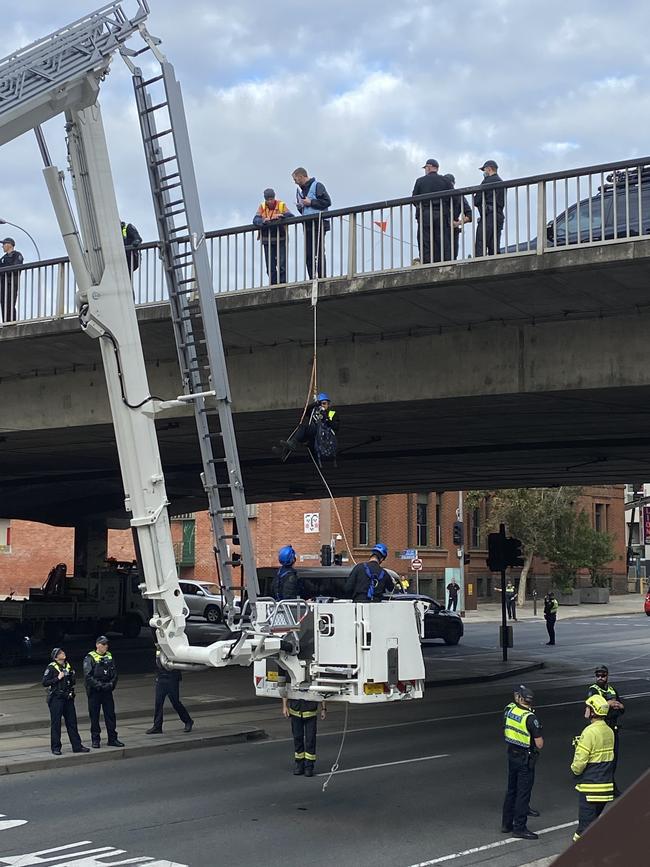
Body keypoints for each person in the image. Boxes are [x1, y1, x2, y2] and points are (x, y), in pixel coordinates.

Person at [570, 694, 615, 842]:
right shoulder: (609, 731)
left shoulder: (589, 732)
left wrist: (574, 770)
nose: (586, 709)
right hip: (605, 788)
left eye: (588, 707)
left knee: (582, 831)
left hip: (590, 788)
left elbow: (580, 762)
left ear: (593, 711)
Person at [501, 684, 543, 840]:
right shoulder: (531, 718)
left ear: (520, 698)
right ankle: (520, 827)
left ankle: (506, 824)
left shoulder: (511, 710)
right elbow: (540, 744)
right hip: (525, 758)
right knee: (523, 794)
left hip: (512, 754)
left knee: (511, 790)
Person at [42, 647, 90, 756]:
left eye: (63, 652)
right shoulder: (51, 668)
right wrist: (58, 678)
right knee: (56, 724)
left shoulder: (67, 666)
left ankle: (77, 746)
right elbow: (44, 682)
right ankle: (56, 747)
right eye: (60, 653)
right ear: (56, 657)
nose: (63, 653)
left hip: (68, 698)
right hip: (56, 699)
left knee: (72, 723)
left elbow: (72, 681)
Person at [587, 665, 624, 796]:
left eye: (603, 675)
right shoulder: (593, 690)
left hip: (612, 728)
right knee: (601, 759)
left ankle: (611, 785)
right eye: (598, 675)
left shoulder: (612, 690)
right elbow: (595, 706)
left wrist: (615, 704)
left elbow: (622, 707)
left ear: (607, 675)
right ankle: (601, 785)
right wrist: (610, 704)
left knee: (613, 759)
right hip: (601, 728)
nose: (600, 678)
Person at [83, 636, 124, 748]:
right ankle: (95, 740)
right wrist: (100, 686)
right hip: (95, 692)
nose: (106, 646)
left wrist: (111, 685)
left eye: (106, 644)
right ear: (97, 645)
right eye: (103, 644)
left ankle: (112, 739)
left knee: (110, 715)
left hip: (107, 691)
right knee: (94, 716)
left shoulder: (109, 656)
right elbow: (88, 676)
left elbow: (115, 673)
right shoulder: (90, 657)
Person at [412, 159, 453, 264]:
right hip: (442, 214)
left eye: (425, 168)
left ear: (429, 167)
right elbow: (454, 198)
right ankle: (445, 262)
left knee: (426, 240)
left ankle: (427, 263)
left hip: (425, 214)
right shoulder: (446, 181)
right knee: (443, 239)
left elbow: (414, 199)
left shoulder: (420, 181)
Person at [292, 167, 331, 279]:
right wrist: (301, 206)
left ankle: (322, 277)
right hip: (307, 224)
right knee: (309, 254)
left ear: (301, 176)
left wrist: (311, 202)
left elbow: (327, 202)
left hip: (319, 223)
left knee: (318, 251)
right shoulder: (302, 190)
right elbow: (304, 209)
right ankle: (312, 277)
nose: (295, 182)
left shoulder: (317, 185)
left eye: (295, 179)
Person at [146, 646, 193, 735]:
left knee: (175, 702)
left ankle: (188, 721)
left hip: (172, 678)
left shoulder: (172, 646)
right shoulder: (159, 648)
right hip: (161, 677)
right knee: (158, 703)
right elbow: (157, 661)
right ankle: (157, 726)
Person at [283, 392, 339, 465]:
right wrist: (314, 404)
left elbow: (335, 427)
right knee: (301, 429)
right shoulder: (314, 412)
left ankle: (314, 454)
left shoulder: (331, 413)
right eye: (322, 404)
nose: (324, 406)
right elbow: (305, 411)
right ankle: (285, 450)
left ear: (328, 404)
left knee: (311, 443)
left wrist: (326, 419)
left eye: (325, 403)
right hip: (313, 434)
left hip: (323, 435)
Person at [252, 188, 293, 285]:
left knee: (282, 263)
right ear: (265, 199)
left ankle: (283, 283)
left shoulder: (281, 205)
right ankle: (273, 284)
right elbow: (255, 220)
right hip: (267, 240)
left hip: (280, 238)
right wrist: (263, 221)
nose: (270, 201)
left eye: (271, 199)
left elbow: (291, 216)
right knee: (270, 265)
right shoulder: (262, 207)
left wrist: (281, 216)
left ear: (274, 197)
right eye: (268, 199)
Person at [282, 696, 326, 777]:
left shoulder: (313, 682)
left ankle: (309, 767)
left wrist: (323, 709)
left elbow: (321, 692)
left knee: (310, 740)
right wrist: (285, 706)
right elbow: (285, 690)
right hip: (295, 713)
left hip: (311, 714)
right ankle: (299, 765)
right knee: (297, 739)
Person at [474, 160, 505, 257]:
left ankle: (479, 264)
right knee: (494, 244)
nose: (484, 172)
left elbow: (477, 200)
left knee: (481, 241)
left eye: (484, 170)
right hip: (499, 215)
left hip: (489, 215)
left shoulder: (487, 181)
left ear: (489, 168)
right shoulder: (501, 182)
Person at [444, 173, 472, 260]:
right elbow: (469, 215)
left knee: (449, 256)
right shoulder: (459, 196)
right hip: (447, 228)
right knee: (451, 257)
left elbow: (469, 215)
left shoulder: (459, 197)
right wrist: (458, 223)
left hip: (449, 229)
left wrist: (457, 223)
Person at [0, 237, 23, 323]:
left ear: (9, 245)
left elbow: (16, 267)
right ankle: (5, 322)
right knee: (3, 303)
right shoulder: (2, 258)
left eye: (4, 244)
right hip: (3, 284)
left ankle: (11, 322)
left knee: (10, 303)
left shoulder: (17, 255)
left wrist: (4, 272)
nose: (2, 247)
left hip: (11, 283)